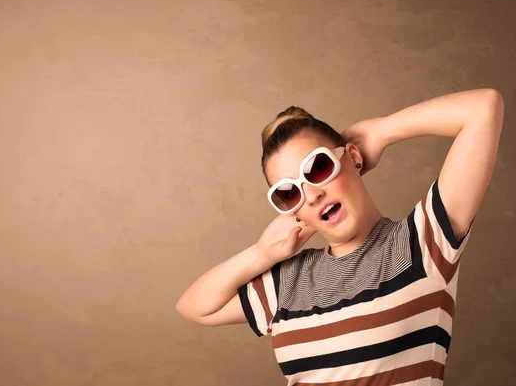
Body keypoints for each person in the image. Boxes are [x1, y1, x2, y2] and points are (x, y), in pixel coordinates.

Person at [176, 88, 504, 385]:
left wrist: (382, 131)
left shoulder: (421, 246)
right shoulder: (288, 281)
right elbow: (194, 307)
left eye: (318, 168)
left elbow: (484, 107)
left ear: (353, 158)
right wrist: (263, 253)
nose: (313, 194)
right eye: (290, 192)